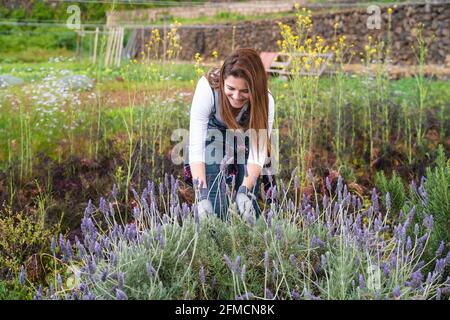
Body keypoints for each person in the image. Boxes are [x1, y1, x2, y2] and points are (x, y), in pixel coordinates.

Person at [186, 48, 275, 221]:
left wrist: (244, 190)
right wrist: (201, 194)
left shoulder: (267, 101)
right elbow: (196, 148)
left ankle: (250, 243)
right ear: (222, 81)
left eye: (245, 91)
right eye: (231, 88)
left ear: (255, 88)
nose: (236, 96)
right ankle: (214, 241)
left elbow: (258, 152)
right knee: (214, 200)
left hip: (246, 136)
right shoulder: (207, 89)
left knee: (248, 200)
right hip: (213, 134)